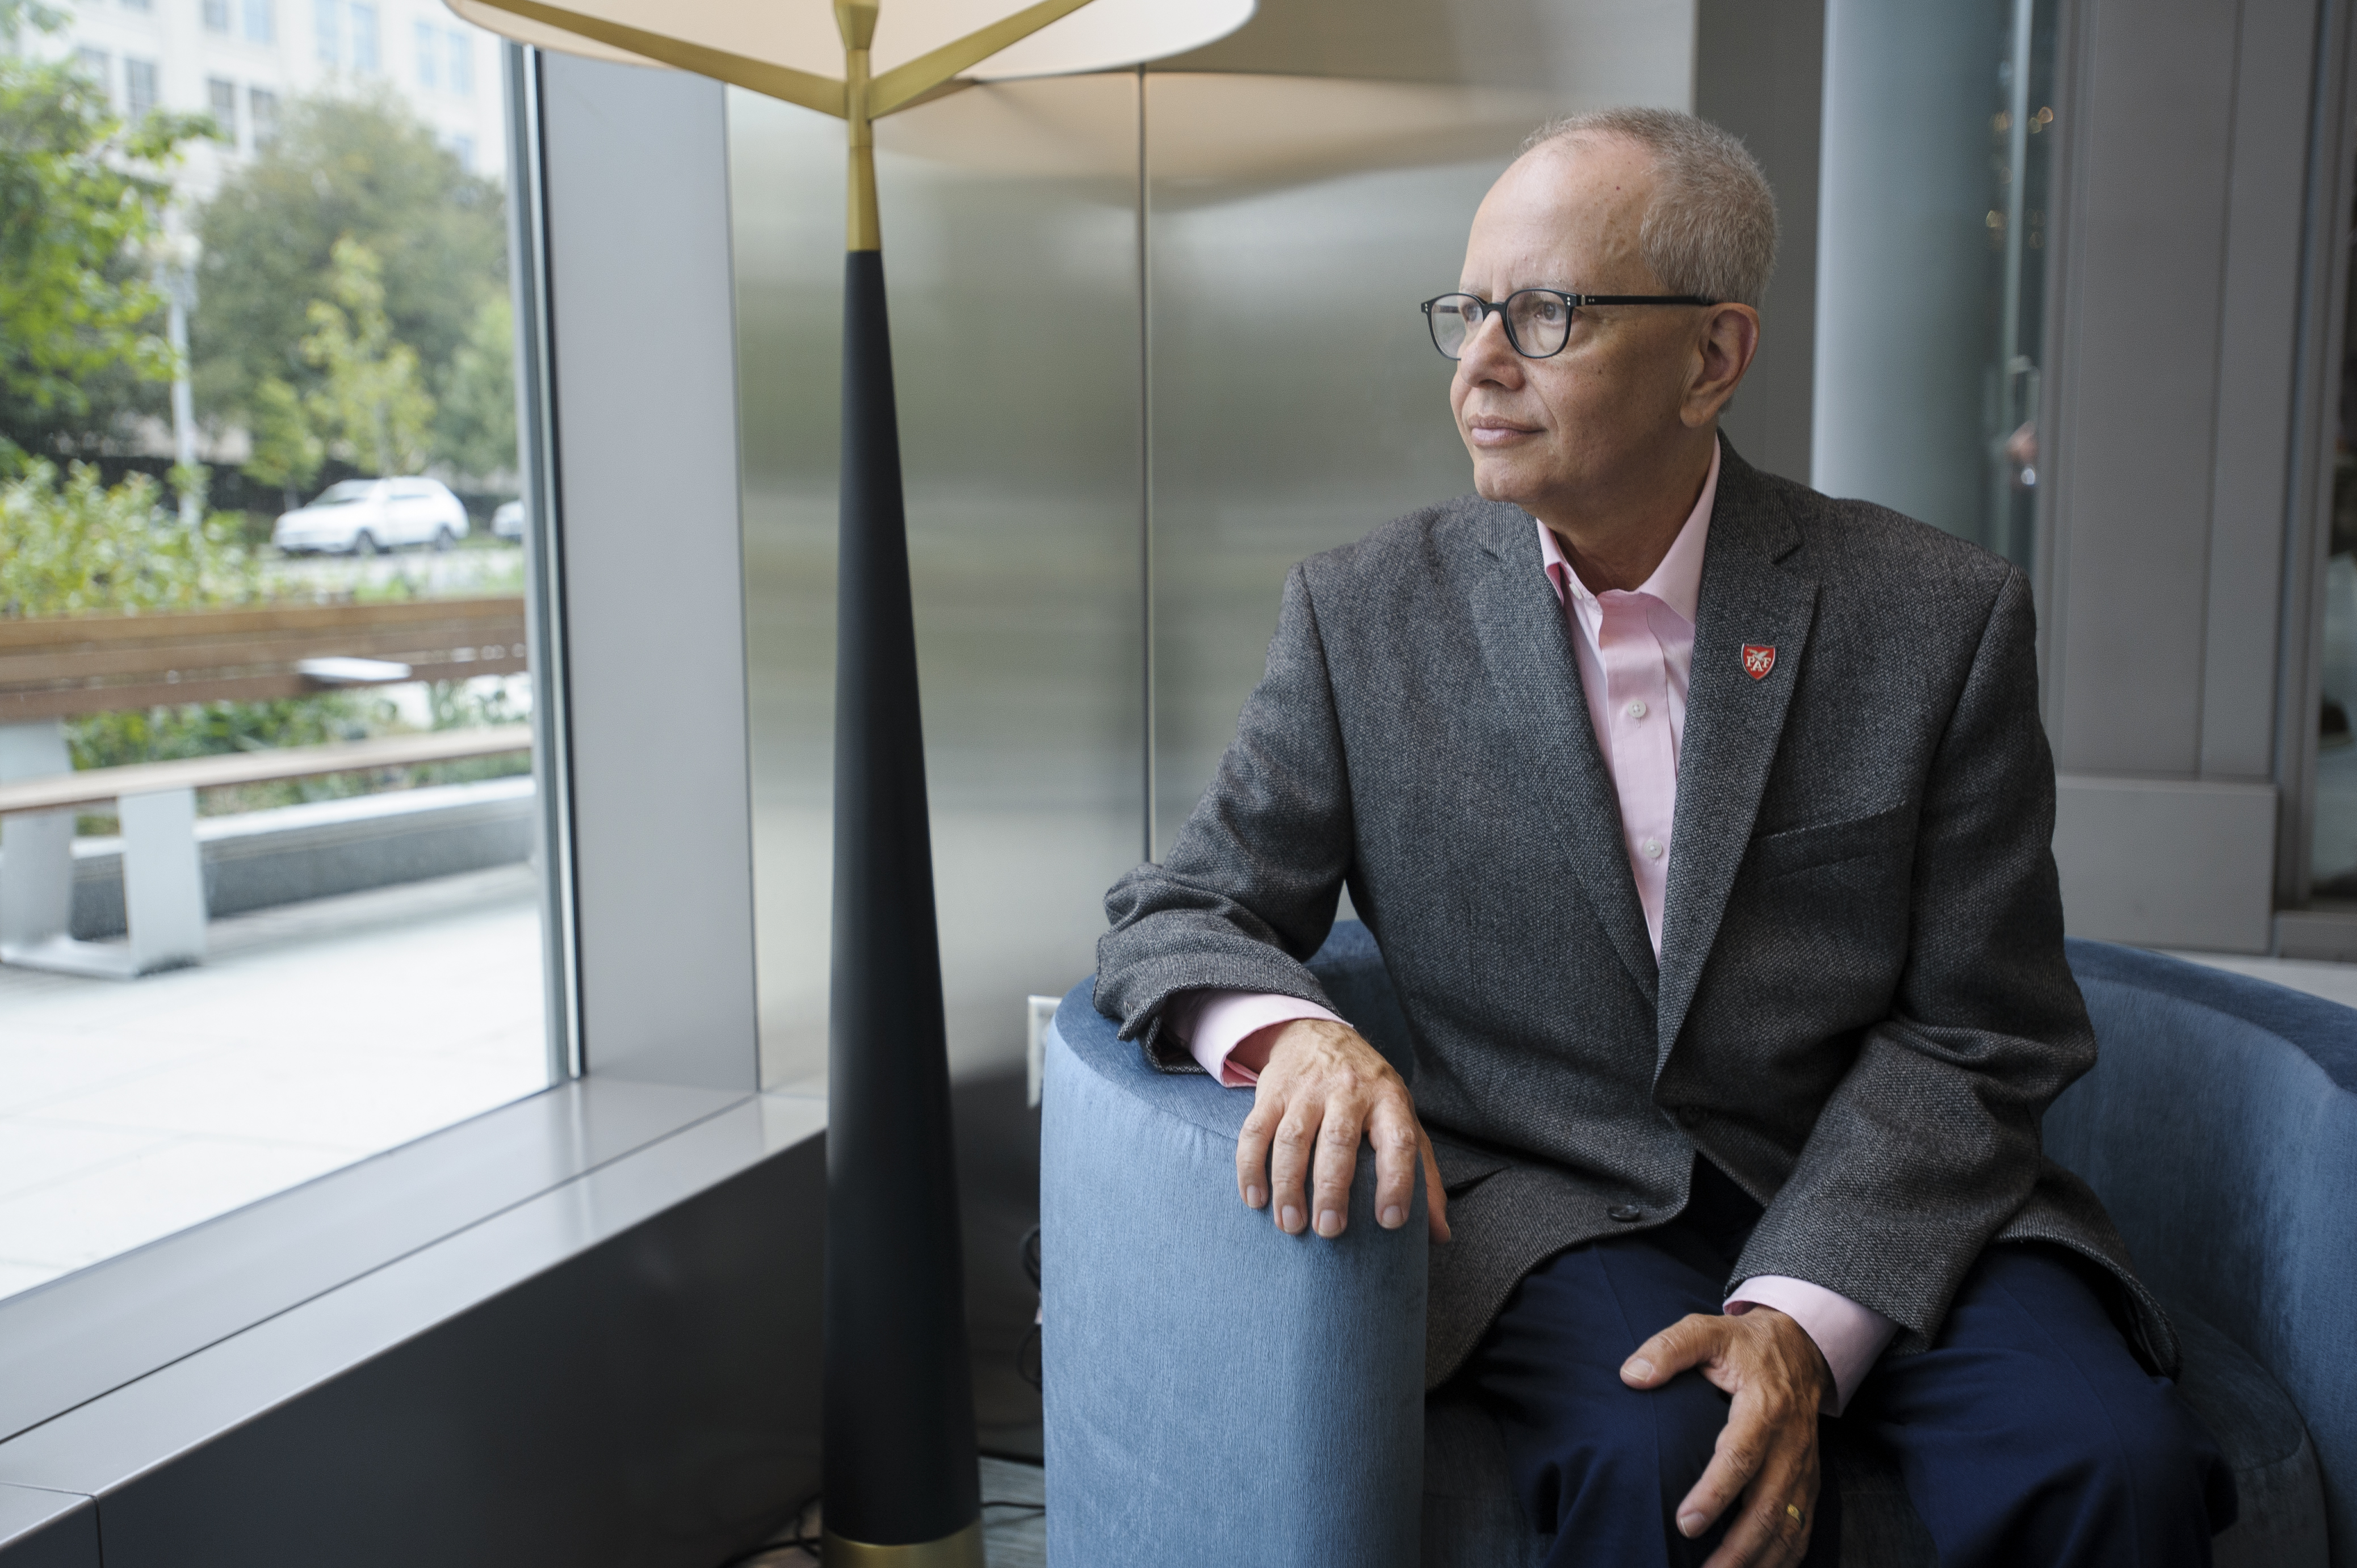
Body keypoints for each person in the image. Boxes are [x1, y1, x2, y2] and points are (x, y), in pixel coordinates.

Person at [1092, 108, 2234, 1568]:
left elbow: (1984, 1031)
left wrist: (1801, 1313)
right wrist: (1292, 1034)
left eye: (1545, 313)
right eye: (1469, 310)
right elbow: (1178, 908)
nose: (1481, 362)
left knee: (2110, 1462)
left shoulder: (1935, 619)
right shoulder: (1365, 618)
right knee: (1674, 1475)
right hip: (1564, 1209)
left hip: (1891, 1191)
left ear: (1714, 357)